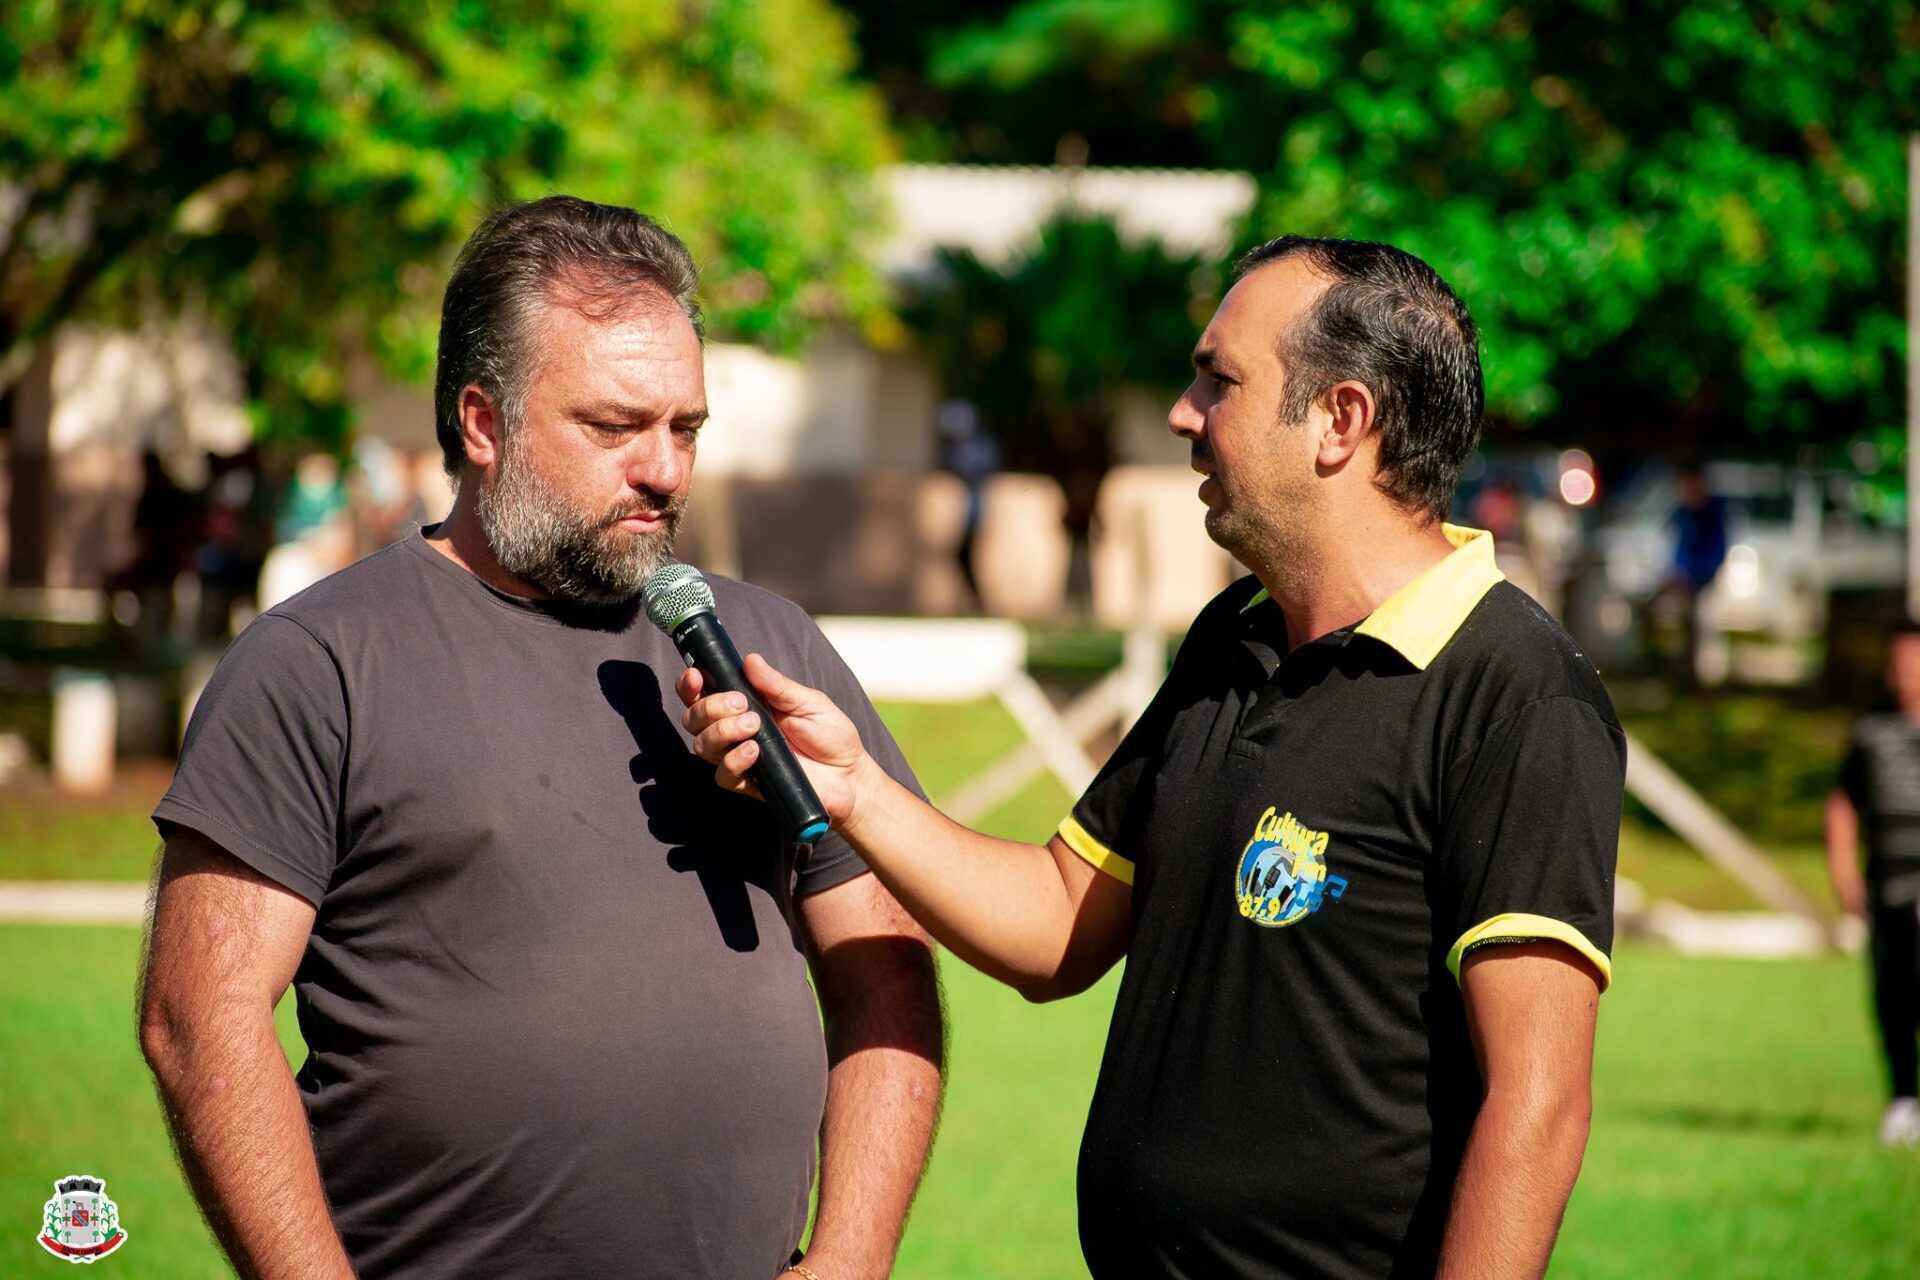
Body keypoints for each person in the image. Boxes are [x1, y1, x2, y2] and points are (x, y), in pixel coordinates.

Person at [683, 236, 1624, 1278]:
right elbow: (1056, 924)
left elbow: (1536, 1104)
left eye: (1219, 380)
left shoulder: (1515, 690)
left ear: (1341, 420)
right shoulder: (1234, 638)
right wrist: (850, 786)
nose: (1184, 411)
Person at [138, 196, 944, 1280]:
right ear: (484, 422)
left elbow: (886, 967)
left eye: (686, 428)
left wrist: (849, 1256)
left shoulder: (765, 646)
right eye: (615, 427)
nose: (664, 468)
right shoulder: (320, 660)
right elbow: (201, 1015)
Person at [1826, 621, 1920, 1148]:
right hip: (1889, 889)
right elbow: (1843, 802)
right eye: (1898, 662)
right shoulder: (1873, 732)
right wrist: (1843, 872)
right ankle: (1903, 1100)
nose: (1904, 674)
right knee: (1894, 995)